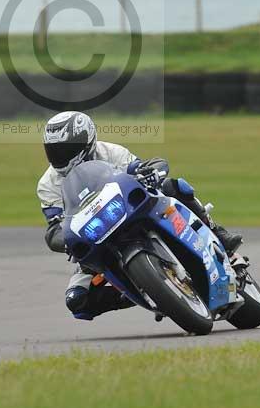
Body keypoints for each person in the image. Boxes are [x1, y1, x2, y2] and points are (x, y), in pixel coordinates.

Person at [37, 110, 242, 321]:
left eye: (65, 149)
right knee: (78, 301)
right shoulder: (47, 184)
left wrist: (153, 171)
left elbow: (140, 167)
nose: (59, 156)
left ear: (87, 142)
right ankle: (145, 292)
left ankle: (218, 233)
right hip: (96, 236)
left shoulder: (109, 151)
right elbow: (55, 226)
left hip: (131, 211)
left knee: (174, 187)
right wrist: (64, 241)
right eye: (53, 150)